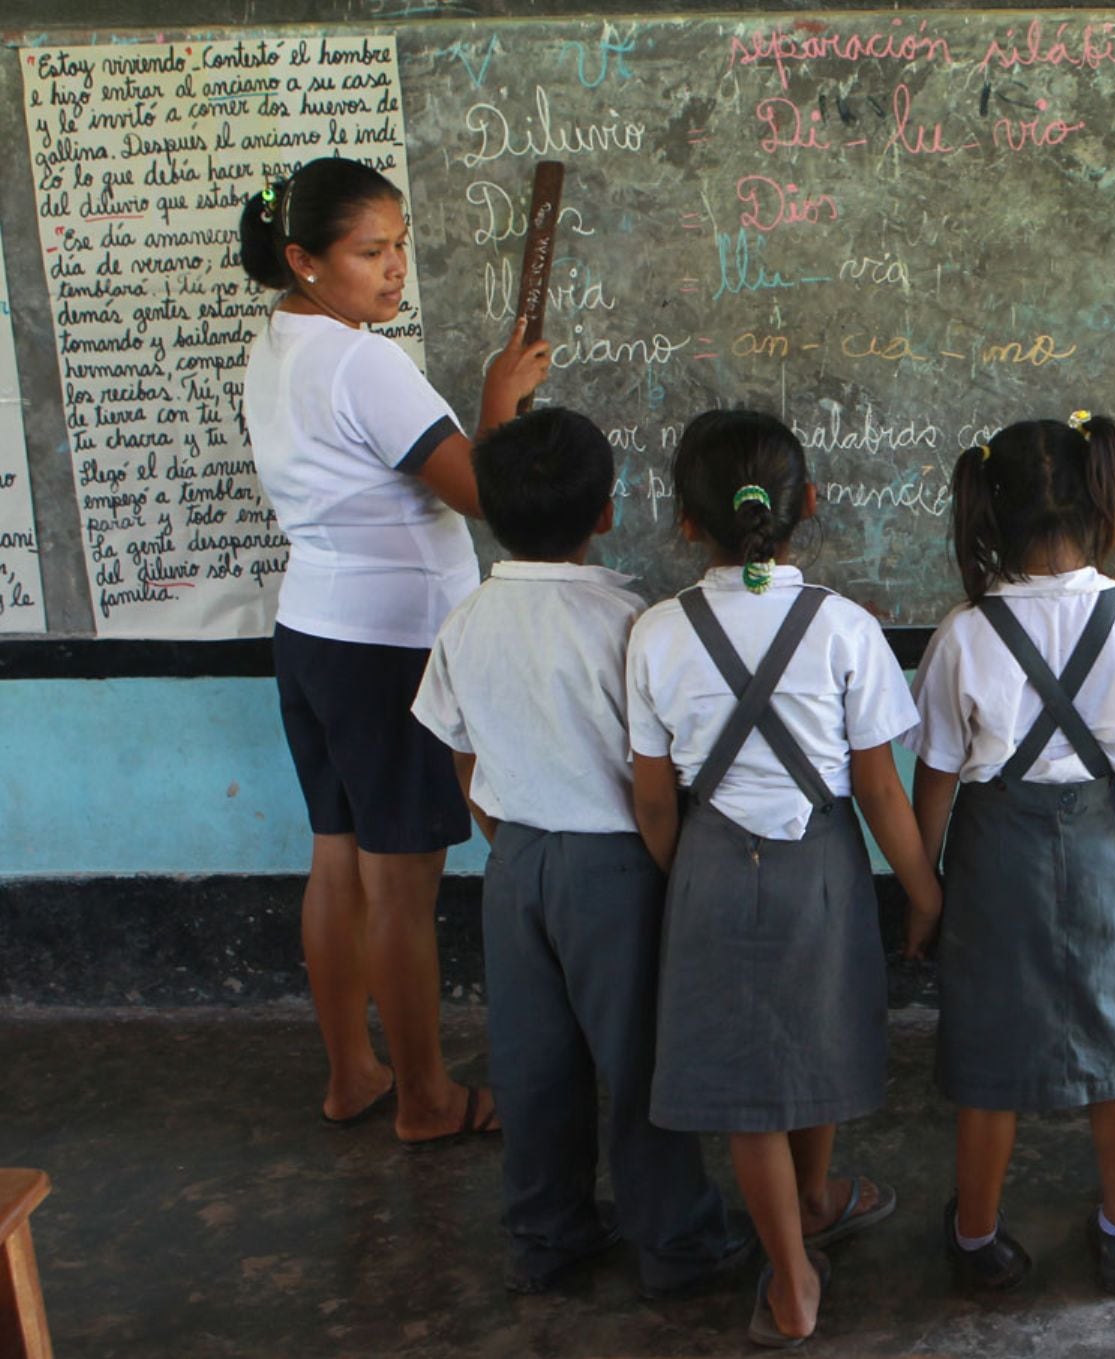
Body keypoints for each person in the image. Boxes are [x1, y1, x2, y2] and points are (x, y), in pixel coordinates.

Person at [238, 156, 548, 1142]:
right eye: (370, 252)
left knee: (338, 861)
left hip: (316, 635)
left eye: (399, 245)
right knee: (402, 886)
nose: (393, 269)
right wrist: (500, 400)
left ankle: (354, 1076)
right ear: (304, 258)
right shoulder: (362, 361)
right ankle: (426, 1098)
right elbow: (486, 494)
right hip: (392, 649)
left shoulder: (281, 340)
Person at [410, 408, 753, 1295]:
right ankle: (676, 1238)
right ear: (607, 512)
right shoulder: (631, 620)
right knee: (639, 1059)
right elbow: (660, 767)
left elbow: (459, 746)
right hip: (617, 866)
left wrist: (507, 832)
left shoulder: (467, 618)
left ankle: (549, 1231)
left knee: (530, 1058)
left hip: (515, 860)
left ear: (487, 510)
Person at [625, 410, 942, 1347]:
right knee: (810, 1038)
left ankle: (796, 1246)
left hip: (710, 860)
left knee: (743, 1073)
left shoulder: (655, 633)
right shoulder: (845, 628)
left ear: (686, 521)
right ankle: (806, 1220)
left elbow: (652, 803)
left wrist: (697, 879)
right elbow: (881, 788)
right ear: (808, 504)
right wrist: (924, 892)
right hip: (824, 865)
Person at [906, 412, 1115, 1297]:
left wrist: (923, 888)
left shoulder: (964, 632)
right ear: (1096, 498)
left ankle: (974, 1235)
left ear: (990, 510)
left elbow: (936, 780)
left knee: (989, 1063)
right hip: (1104, 849)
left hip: (996, 853)